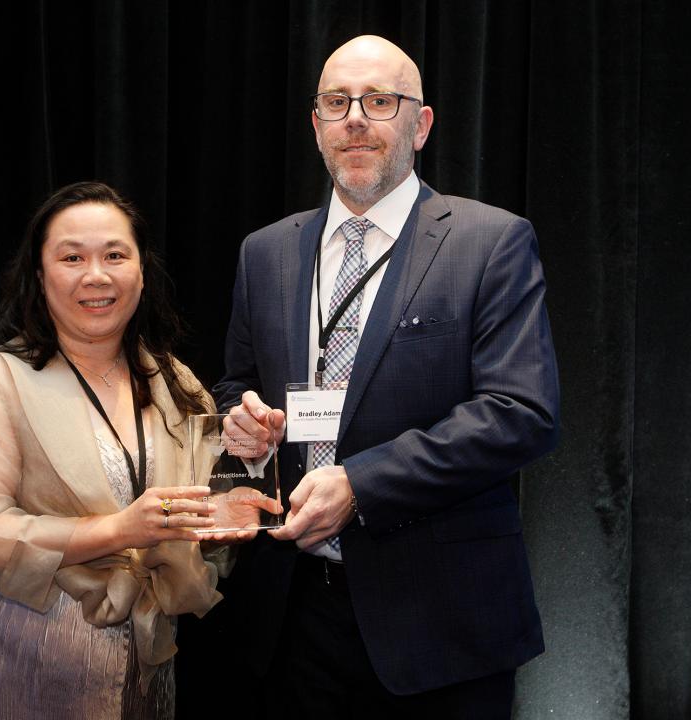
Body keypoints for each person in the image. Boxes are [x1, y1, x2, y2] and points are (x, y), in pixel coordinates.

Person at [214, 35, 561, 718]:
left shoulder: (490, 241)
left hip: (440, 625)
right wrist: (243, 425)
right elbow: (238, 384)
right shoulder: (266, 252)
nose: (355, 119)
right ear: (316, 125)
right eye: (336, 102)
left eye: (379, 101)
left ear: (420, 125)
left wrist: (360, 485)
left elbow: (521, 411)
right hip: (293, 620)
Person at [0, 181, 264, 719]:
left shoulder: (175, 383)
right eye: (72, 258)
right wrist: (117, 530)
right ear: (40, 275)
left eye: (114, 255)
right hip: (27, 667)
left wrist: (231, 506)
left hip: (150, 670)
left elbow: (202, 514)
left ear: (141, 271)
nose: (96, 275)